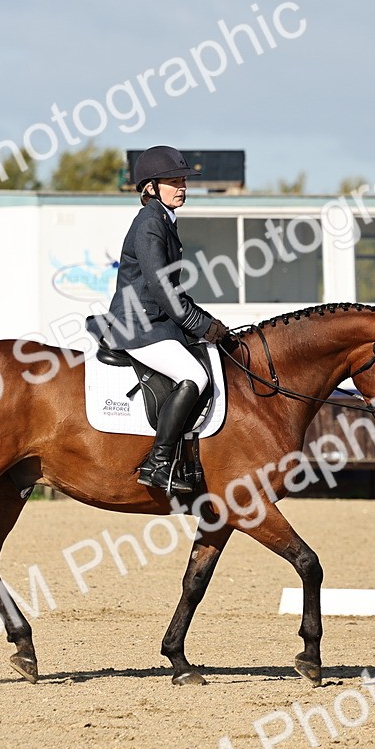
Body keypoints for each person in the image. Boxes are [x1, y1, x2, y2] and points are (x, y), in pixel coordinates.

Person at [89, 145, 229, 494]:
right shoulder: (150, 223)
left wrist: (205, 323)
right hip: (139, 325)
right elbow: (163, 288)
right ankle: (159, 462)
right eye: (173, 181)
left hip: (155, 321)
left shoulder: (163, 219)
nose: (182, 186)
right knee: (194, 375)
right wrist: (202, 325)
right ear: (150, 186)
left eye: (183, 180)